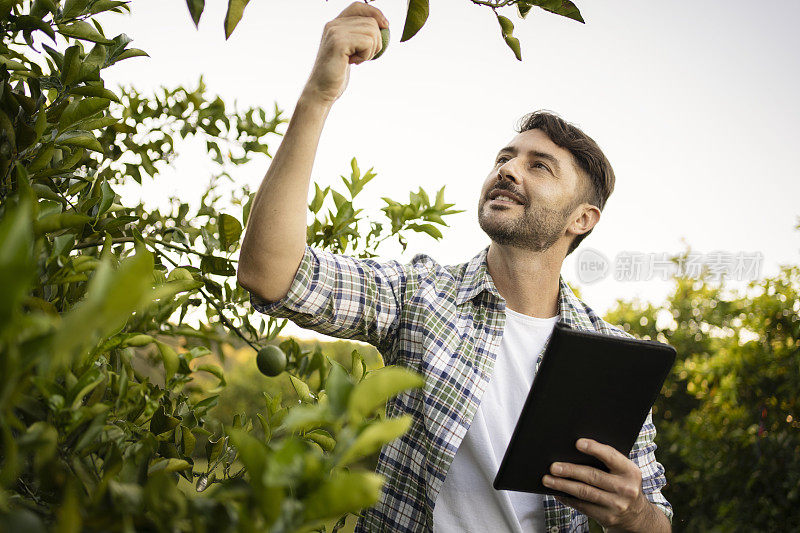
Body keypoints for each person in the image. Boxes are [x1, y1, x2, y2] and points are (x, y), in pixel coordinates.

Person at [237, 3, 673, 532]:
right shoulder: (420, 295)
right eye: (504, 157)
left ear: (581, 219)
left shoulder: (612, 362)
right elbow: (272, 275)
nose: (508, 169)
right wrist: (319, 97)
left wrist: (634, 514)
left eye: (539, 165)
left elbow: (657, 522)